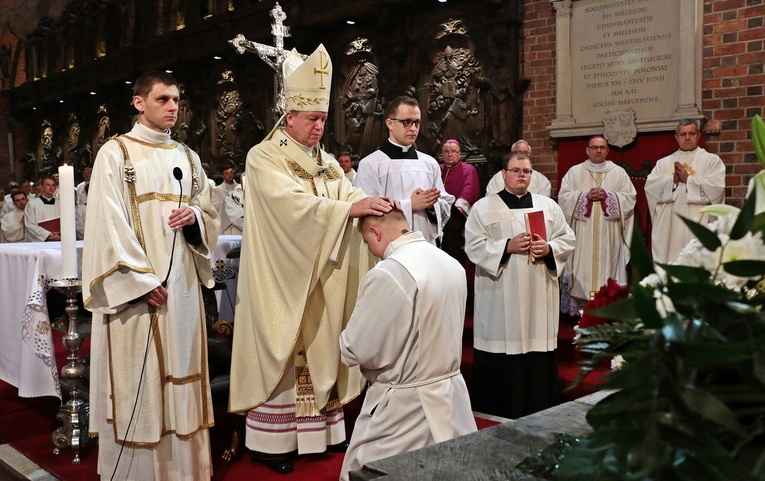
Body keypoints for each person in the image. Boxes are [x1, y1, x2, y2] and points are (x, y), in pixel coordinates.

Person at [229, 44, 393, 474]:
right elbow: (289, 207)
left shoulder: (323, 159)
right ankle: (273, 443)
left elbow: (346, 191)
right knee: (284, 350)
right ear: (290, 117)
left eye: (323, 119)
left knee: (320, 348)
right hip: (281, 276)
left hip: (319, 274)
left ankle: (320, 434)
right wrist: (346, 211)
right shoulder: (264, 156)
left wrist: (366, 201)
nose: (320, 127)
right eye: (313, 119)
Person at [82, 71, 220, 481]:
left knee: (181, 366)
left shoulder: (188, 157)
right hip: (140, 293)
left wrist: (194, 217)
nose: (173, 107)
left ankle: (184, 470)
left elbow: (209, 210)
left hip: (180, 289)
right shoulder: (116, 152)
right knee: (138, 377)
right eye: (163, 99)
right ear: (139, 103)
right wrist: (141, 283)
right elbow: (108, 223)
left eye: (176, 99)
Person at [339, 208, 477, 481]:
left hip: (404, 405)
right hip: (450, 399)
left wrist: (343, 340)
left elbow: (357, 348)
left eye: (368, 243)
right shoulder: (450, 263)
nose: (372, 251)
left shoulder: (389, 272)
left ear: (375, 233)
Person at [465, 152, 575, 419]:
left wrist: (549, 248)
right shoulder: (484, 207)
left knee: (536, 344)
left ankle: (537, 407)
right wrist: (506, 246)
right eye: (515, 170)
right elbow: (473, 246)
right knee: (503, 342)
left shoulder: (547, 206)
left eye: (526, 171)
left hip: (538, 289)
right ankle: (497, 409)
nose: (521, 175)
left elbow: (567, 239)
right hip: (500, 291)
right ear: (504, 174)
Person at [355, 96, 454, 245]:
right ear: (390, 123)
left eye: (417, 123)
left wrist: (432, 205)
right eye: (406, 122)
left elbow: (445, 203)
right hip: (390, 246)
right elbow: (368, 211)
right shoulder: (371, 164)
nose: (413, 128)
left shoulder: (429, 163)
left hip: (425, 243)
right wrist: (410, 205)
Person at [558, 136, 636, 315]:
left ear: (608, 150)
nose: (598, 151)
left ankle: (607, 308)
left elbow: (630, 198)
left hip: (609, 234)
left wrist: (609, 196)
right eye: (594, 147)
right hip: (582, 232)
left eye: (602, 148)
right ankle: (580, 311)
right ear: (587, 150)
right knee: (581, 266)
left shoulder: (618, 172)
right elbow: (563, 198)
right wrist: (584, 197)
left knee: (608, 267)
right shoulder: (575, 172)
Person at [645, 119, 725, 263]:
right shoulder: (663, 163)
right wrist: (672, 180)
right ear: (676, 137)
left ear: (698, 135)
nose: (687, 137)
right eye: (683, 134)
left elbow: (717, 188)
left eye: (691, 133)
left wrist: (688, 180)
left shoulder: (712, 161)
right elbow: (650, 188)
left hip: (699, 225)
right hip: (669, 228)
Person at [439, 138, 480, 261]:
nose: (450, 154)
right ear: (442, 154)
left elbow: (469, 190)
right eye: (446, 151)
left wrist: (457, 209)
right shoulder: (438, 169)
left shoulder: (468, 169)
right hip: (438, 215)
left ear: (460, 154)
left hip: (457, 218)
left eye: (453, 151)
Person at [485, 140, 552, 197]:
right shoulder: (497, 179)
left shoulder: (541, 180)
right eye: (518, 152)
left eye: (526, 152)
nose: (522, 155)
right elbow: (492, 201)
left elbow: (543, 204)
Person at [24, 175, 60, 242]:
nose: (51, 187)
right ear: (42, 187)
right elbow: (30, 224)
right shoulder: (32, 204)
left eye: (53, 185)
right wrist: (48, 235)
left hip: (58, 240)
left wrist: (60, 236)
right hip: (41, 241)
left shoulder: (60, 204)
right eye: (48, 185)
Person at [214, 166, 244, 235]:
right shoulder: (218, 189)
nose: (230, 175)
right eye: (226, 173)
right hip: (225, 220)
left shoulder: (240, 187)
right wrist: (226, 204)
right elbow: (214, 205)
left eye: (231, 172)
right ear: (222, 176)